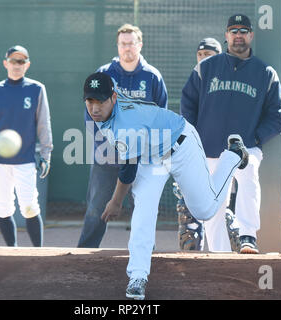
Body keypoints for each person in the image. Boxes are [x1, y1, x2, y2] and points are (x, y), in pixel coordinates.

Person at [83, 72, 249, 300]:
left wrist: (115, 202)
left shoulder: (126, 123)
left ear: (113, 97)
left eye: (99, 101)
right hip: (151, 157)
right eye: (90, 100)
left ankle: (233, 155)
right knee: (144, 209)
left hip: (180, 144)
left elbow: (128, 172)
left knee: (205, 210)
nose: (94, 108)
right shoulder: (104, 109)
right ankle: (137, 276)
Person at [181, 14, 281, 254]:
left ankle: (248, 235)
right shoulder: (206, 67)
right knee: (214, 205)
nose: (238, 35)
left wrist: (256, 139)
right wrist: (195, 139)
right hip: (209, 147)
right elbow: (187, 104)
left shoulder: (265, 72)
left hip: (246, 147)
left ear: (251, 35)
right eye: (233, 30)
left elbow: (278, 113)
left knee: (249, 177)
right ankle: (220, 254)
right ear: (226, 35)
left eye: (243, 30)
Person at [77, 23, 168, 248]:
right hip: (107, 156)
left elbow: (160, 116)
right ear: (117, 46)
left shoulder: (152, 76)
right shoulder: (104, 74)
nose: (127, 48)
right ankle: (83, 257)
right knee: (97, 208)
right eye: (123, 44)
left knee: (143, 209)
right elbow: (91, 114)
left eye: (131, 43)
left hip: (141, 158)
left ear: (140, 45)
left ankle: (145, 255)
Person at [0, 45, 53, 247]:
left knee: (29, 206)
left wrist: (46, 155)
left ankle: (39, 254)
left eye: (21, 61)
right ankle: (12, 252)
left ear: (27, 65)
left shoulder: (36, 89)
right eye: (13, 61)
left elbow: (43, 124)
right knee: (3, 208)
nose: (16, 65)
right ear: (6, 63)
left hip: (25, 160)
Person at [176, 37, 241, 252]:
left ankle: (228, 256)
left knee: (227, 214)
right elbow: (186, 112)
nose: (204, 58)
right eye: (201, 54)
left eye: (209, 54)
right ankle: (197, 263)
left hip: (229, 155)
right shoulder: (196, 78)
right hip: (200, 154)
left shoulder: (232, 78)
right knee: (190, 215)